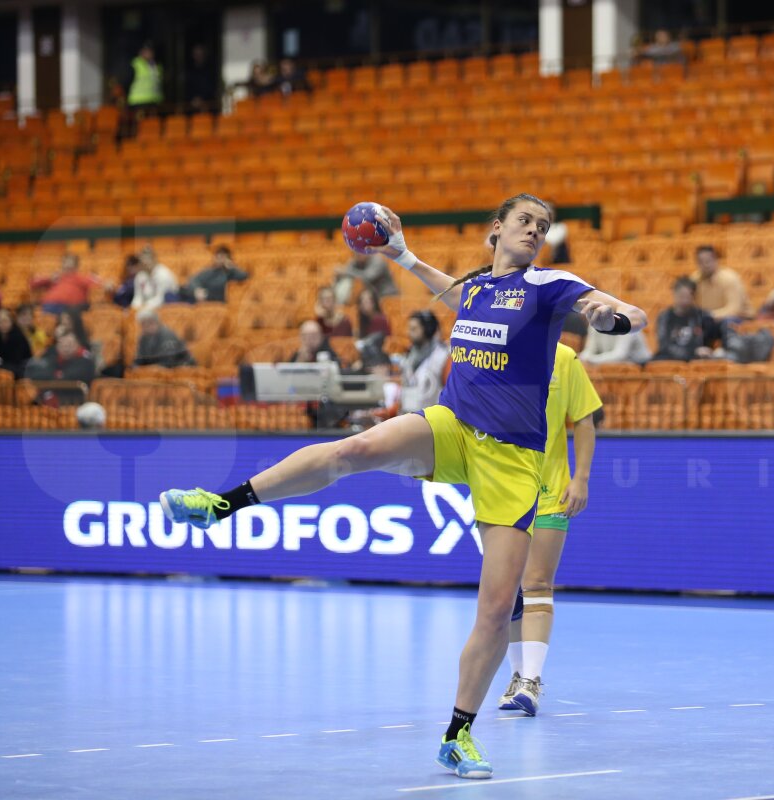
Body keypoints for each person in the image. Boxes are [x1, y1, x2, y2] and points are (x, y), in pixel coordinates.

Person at [159, 193, 647, 780]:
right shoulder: (482, 289)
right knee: (355, 448)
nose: (534, 232)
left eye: (541, 226)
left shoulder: (549, 283)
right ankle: (222, 503)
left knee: (496, 608)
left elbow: (629, 315)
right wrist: (402, 254)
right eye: (524, 221)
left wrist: (605, 314)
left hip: (513, 461)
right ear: (497, 228)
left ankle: (458, 734)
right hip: (453, 425)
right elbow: (455, 291)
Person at [497, 343, 602, 716]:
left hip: (550, 490)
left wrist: (581, 479)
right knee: (508, 590)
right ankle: (516, 676)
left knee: (537, 583)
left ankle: (532, 681)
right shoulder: (496, 351)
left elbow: (585, 420)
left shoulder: (564, 359)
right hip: (502, 490)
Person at [653, 276, 721, 361]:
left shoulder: (702, 316)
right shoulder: (665, 317)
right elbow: (664, 346)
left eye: (688, 297)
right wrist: (691, 352)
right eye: (681, 296)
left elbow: (705, 341)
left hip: (697, 360)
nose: (685, 301)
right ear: (674, 293)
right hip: (671, 357)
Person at [398, 310, 450, 413]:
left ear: (427, 329)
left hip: (433, 419)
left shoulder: (443, 356)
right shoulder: (408, 355)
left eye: (414, 329)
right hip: (407, 415)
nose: (409, 333)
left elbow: (450, 392)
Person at [32, 252, 110, 314]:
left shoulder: (81, 277)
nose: (67, 267)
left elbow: (103, 284)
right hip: (50, 305)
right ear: (62, 265)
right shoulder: (55, 277)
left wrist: (108, 285)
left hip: (71, 307)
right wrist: (49, 279)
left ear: (76, 266)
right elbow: (33, 283)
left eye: (70, 265)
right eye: (65, 264)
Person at [691, 246, 750, 320]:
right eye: (701, 262)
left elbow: (735, 310)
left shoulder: (730, 278)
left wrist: (710, 315)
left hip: (739, 319)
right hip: (709, 320)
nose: (705, 265)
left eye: (708, 261)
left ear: (716, 260)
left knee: (728, 321)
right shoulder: (694, 280)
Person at [184, 245, 249, 303]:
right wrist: (197, 290)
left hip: (218, 300)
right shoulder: (209, 270)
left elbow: (244, 276)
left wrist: (231, 266)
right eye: (217, 257)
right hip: (202, 298)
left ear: (228, 259)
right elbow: (193, 279)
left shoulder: (231, 272)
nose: (219, 259)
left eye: (222, 257)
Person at [334, 251, 398, 305]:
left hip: (388, 296)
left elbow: (367, 277)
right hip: (373, 298)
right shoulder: (356, 261)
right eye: (355, 251)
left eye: (360, 251)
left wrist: (345, 271)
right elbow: (346, 271)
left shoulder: (378, 260)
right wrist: (339, 276)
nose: (358, 254)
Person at [0, 307, 33, 377]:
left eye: (5, 321)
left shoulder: (18, 336)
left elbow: (16, 360)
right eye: (0, 322)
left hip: (21, 368)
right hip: (0, 367)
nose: (3, 324)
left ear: (11, 322)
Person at [131, 245, 179, 311]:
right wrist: (134, 309)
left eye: (148, 259)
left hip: (165, 308)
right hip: (147, 308)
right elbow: (138, 297)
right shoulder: (140, 276)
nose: (145, 262)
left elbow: (161, 299)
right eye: (143, 259)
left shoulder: (164, 274)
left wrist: (144, 307)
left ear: (154, 259)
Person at [579, 324, 653, 365]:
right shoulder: (594, 324)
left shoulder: (625, 323)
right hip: (614, 364)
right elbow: (589, 350)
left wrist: (591, 360)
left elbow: (620, 355)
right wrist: (580, 358)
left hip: (639, 365)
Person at [125, 42, 163, 117]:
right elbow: (126, 82)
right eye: (146, 51)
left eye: (150, 51)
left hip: (154, 101)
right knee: (140, 125)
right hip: (138, 102)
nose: (149, 53)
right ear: (141, 52)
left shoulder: (158, 65)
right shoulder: (135, 64)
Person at [184, 44, 217, 115]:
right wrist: (193, 99)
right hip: (192, 106)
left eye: (200, 54)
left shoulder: (209, 71)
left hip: (208, 105)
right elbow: (188, 89)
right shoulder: (190, 72)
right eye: (196, 54)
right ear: (193, 56)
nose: (198, 56)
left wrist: (203, 99)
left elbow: (211, 87)